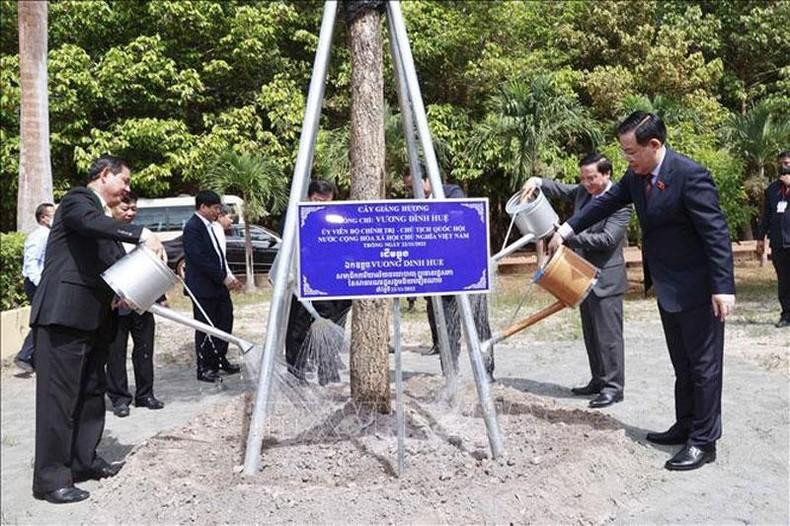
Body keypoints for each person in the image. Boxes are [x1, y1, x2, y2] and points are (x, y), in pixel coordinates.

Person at [549, 112, 735, 471]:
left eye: (631, 152)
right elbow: (605, 202)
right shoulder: (636, 178)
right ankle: (685, 426)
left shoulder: (689, 175)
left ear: (654, 145)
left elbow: (716, 234)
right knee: (683, 365)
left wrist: (723, 287)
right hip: (668, 287)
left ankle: (704, 440)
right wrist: (568, 228)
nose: (626, 159)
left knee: (705, 367)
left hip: (699, 288)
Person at [29, 154, 164, 503]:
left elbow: (107, 270)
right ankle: (51, 480)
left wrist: (125, 293)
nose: (128, 190)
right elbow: (88, 225)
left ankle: (83, 460)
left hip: (96, 322)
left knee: (91, 394)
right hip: (63, 317)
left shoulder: (102, 221)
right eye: (125, 181)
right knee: (58, 401)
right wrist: (142, 234)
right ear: (105, 175)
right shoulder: (78, 201)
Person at [521, 153, 631, 408]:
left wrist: (567, 236)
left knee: (609, 336)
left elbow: (607, 240)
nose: (587, 183)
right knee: (591, 333)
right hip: (579, 275)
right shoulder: (583, 192)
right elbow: (558, 189)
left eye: (592, 178)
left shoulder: (621, 203)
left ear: (607, 174)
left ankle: (614, 388)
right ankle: (598, 380)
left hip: (606, 279)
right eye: (583, 178)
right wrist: (535, 181)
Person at [403, 165, 495, 382]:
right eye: (408, 188)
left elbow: (458, 219)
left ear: (425, 180)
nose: (410, 191)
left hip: (468, 273)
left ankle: (487, 373)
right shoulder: (414, 205)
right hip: (440, 277)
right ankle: (450, 374)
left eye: (412, 186)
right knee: (446, 328)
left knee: (479, 324)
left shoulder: (452, 193)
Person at [285, 180, 352, 384]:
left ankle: (327, 372)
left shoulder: (338, 218)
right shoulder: (297, 220)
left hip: (333, 288)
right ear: (308, 197)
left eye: (326, 201)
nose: (321, 205)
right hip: (305, 286)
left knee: (333, 331)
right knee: (299, 331)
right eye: (317, 200)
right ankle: (296, 373)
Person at [106, 192, 165, 417]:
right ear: (112, 208)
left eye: (133, 209)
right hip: (116, 308)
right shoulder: (105, 237)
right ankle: (120, 398)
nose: (130, 213)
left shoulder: (142, 237)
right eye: (125, 209)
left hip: (143, 305)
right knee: (115, 354)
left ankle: (145, 395)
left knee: (144, 351)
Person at [182, 190, 242, 383]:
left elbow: (218, 256)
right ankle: (204, 367)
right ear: (203, 207)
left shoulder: (211, 227)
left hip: (218, 286)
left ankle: (219, 358)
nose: (218, 212)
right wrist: (222, 277)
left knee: (225, 321)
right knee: (206, 327)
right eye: (215, 208)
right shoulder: (193, 227)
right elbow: (200, 260)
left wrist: (228, 277)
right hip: (203, 287)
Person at [14, 202, 55, 373]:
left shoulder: (50, 234)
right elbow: (31, 264)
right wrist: (42, 285)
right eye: (52, 214)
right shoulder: (39, 236)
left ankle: (36, 360)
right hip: (36, 284)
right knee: (41, 322)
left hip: (43, 283)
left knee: (45, 321)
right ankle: (24, 356)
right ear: (43, 218)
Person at [757, 155, 790, 328]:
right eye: (783, 164)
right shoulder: (772, 190)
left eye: (788, 163)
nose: (785, 167)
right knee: (784, 281)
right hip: (779, 243)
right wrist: (760, 238)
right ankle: (786, 314)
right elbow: (766, 217)